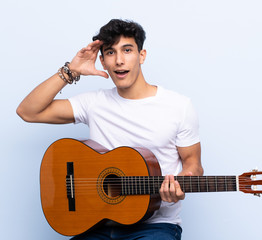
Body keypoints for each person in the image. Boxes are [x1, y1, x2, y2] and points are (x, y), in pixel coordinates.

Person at [17, 19, 203, 240]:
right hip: (96, 224)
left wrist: (181, 182)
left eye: (127, 50)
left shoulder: (178, 106)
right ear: (103, 62)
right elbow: (28, 111)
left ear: (141, 55)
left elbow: (194, 165)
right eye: (110, 53)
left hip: (155, 226)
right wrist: (71, 70)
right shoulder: (94, 103)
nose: (120, 61)